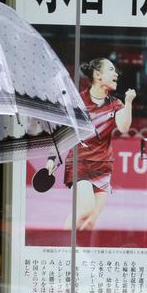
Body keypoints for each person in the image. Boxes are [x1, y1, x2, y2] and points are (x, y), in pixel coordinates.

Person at [50, 57, 133, 231]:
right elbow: (62, 133)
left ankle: (79, 255)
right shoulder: (78, 103)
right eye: (111, 69)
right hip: (80, 163)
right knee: (85, 210)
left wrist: (129, 103)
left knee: (91, 222)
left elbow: (123, 127)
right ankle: (62, 246)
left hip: (103, 166)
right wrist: (52, 158)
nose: (116, 73)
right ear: (98, 75)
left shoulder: (115, 104)